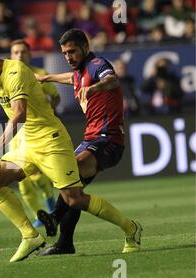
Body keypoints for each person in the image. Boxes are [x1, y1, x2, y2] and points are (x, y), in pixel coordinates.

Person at [0, 37, 141, 262]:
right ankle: (30, 235)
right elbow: (73, 79)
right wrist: (46, 78)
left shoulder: (14, 71)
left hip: (51, 141)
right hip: (27, 144)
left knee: (74, 199)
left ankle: (130, 228)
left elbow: (19, 113)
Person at [35, 29, 142, 256]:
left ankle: (54, 218)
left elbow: (111, 80)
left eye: (72, 51)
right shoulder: (80, 72)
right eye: (64, 53)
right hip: (90, 139)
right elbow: (70, 78)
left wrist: (94, 87)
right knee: (73, 191)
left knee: (70, 171)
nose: (68, 57)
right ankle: (65, 243)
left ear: (85, 45)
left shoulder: (96, 64)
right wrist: (46, 78)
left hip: (109, 140)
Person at [0, 39, 59, 229]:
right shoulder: (3, 76)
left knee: (37, 174)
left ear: (29, 55)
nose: (20, 55)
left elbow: (56, 97)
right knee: (21, 180)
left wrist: (47, 112)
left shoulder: (40, 75)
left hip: (38, 129)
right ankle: (39, 215)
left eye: (23, 52)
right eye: (16, 52)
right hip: (17, 133)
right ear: (11, 56)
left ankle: (49, 198)